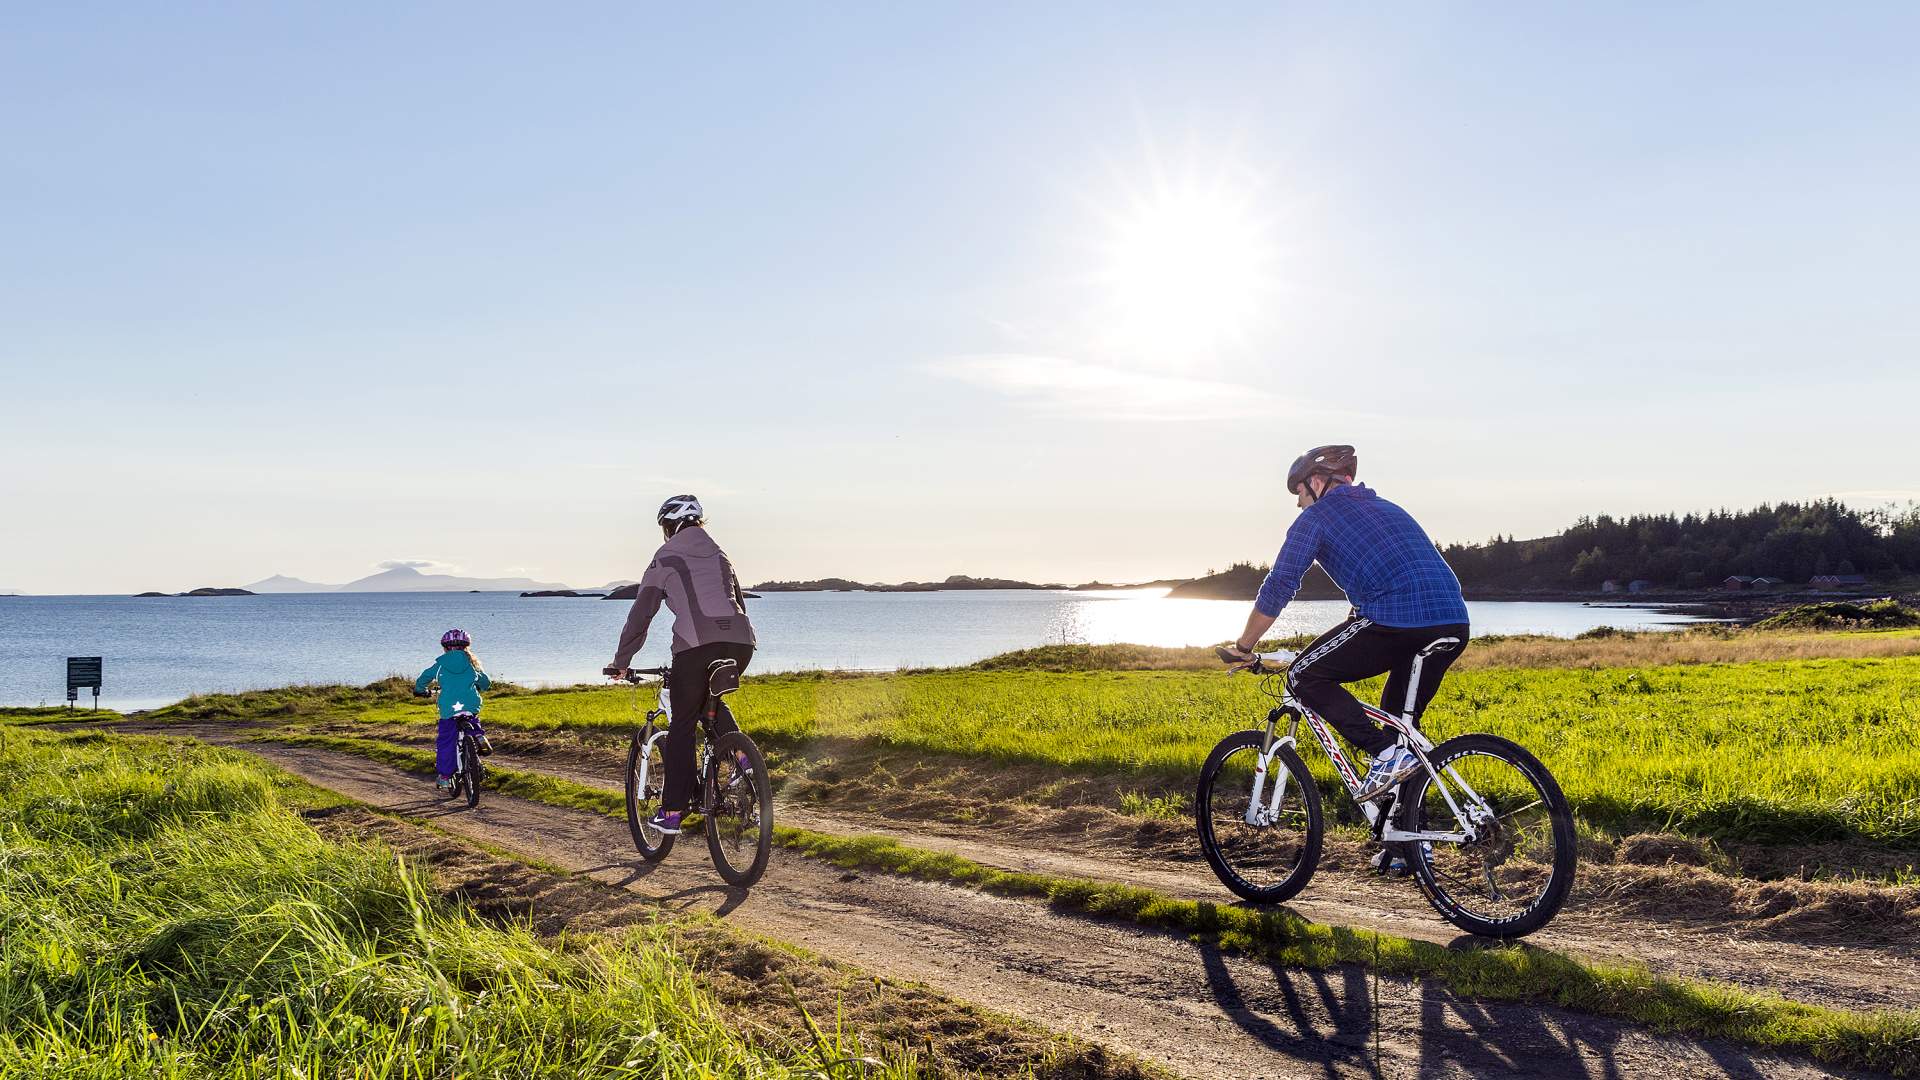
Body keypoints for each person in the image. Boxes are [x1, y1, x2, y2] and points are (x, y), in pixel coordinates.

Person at [1221, 445, 1471, 827]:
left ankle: (1383, 752)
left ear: (1317, 482)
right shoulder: (1389, 509)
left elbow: (1280, 585)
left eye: (1300, 494)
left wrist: (1244, 647)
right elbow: (1392, 578)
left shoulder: (1317, 518)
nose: (1300, 504)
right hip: (1452, 622)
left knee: (1303, 675)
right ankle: (1408, 842)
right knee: (1401, 728)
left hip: (1396, 621)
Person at [603, 495, 756, 835]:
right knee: (708, 701)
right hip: (742, 643)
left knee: (683, 723)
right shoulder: (721, 555)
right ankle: (742, 759)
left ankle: (672, 810)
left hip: (696, 646)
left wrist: (621, 662)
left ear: (669, 526)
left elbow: (641, 614)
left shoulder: (665, 556)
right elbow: (738, 602)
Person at [414, 628, 494, 791]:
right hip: (470, 704)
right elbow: (486, 683)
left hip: (450, 708)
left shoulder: (440, 665)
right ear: (466, 647)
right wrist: (480, 686)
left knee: (446, 742)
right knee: (472, 720)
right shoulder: (472, 664)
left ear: (445, 647)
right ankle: (477, 735)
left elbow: (423, 678)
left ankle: (444, 777)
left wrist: (420, 690)